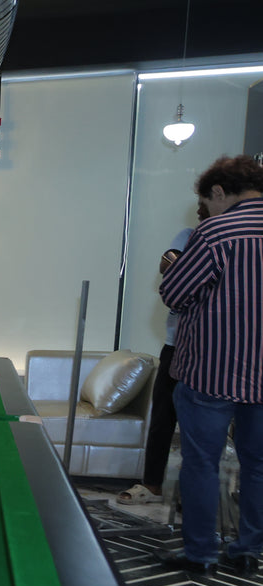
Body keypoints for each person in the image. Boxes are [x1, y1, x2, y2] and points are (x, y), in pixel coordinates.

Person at [155, 155, 263, 575]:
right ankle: (249, 549)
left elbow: (175, 293)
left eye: (208, 201)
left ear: (219, 192)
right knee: (258, 465)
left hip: (211, 370)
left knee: (201, 462)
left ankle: (200, 554)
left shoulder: (216, 231)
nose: (207, 210)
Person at [118, 201, 209, 504]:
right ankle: (152, 485)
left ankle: (192, 493)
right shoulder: (189, 235)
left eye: (204, 202)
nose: (200, 209)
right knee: (162, 417)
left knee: (201, 424)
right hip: (175, 343)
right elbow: (168, 265)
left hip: (210, 349)